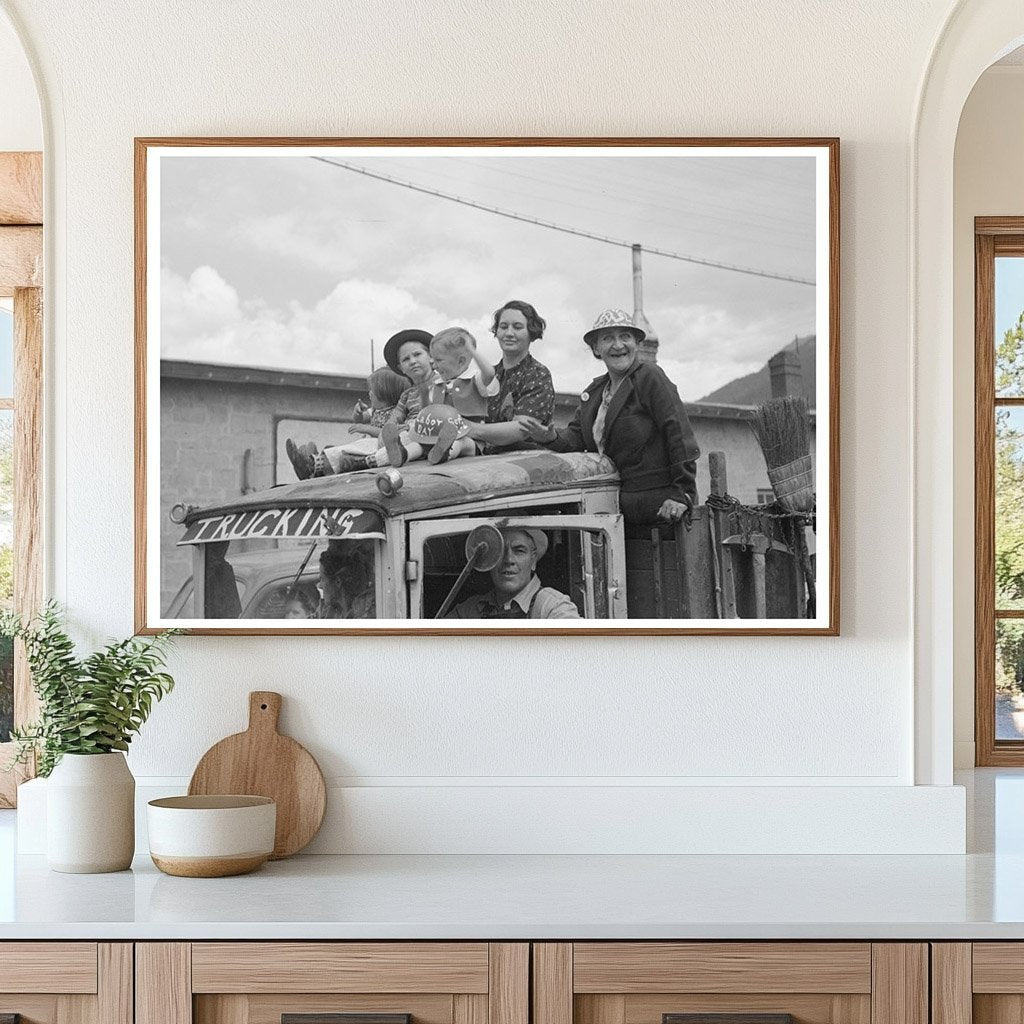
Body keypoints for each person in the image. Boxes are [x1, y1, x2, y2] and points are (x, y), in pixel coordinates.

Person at [520, 308, 699, 526]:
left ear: (637, 343)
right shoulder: (596, 392)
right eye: (607, 338)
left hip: (661, 508)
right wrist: (549, 437)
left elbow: (679, 434)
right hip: (614, 507)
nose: (618, 345)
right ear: (596, 348)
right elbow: (576, 437)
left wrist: (683, 493)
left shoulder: (650, 377)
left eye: (625, 337)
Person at [465, 299, 556, 453]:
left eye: (517, 327)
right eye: (503, 326)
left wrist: (468, 428)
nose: (509, 333)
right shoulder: (487, 375)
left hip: (524, 461)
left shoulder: (538, 374)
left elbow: (521, 429)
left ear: (531, 332)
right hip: (481, 457)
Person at [447, 527, 580, 619]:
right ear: (489, 561)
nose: (508, 560)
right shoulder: (469, 611)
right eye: (500, 551)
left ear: (533, 560)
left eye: (519, 550)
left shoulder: (553, 608)